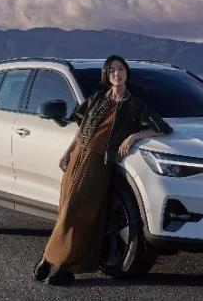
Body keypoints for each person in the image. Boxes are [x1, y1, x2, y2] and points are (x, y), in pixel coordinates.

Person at [32, 55, 172, 286]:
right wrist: (67, 153)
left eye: (120, 69)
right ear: (107, 76)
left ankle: (54, 261)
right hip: (78, 157)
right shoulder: (97, 98)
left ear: (127, 73)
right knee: (66, 209)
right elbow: (82, 128)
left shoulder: (135, 105)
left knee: (79, 214)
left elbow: (161, 128)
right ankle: (59, 264)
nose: (117, 73)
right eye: (112, 70)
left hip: (99, 162)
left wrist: (134, 135)